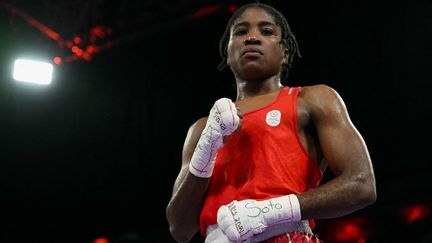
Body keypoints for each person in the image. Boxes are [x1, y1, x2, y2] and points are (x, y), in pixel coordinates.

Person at [166, 2, 376, 243]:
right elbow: (179, 228)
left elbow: (362, 184)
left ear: (285, 53)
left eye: (266, 31)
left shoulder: (311, 100)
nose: (252, 38)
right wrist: (207, 148)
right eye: (241, 31)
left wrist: (268, 212)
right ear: (228, 50)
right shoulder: (202, 129)